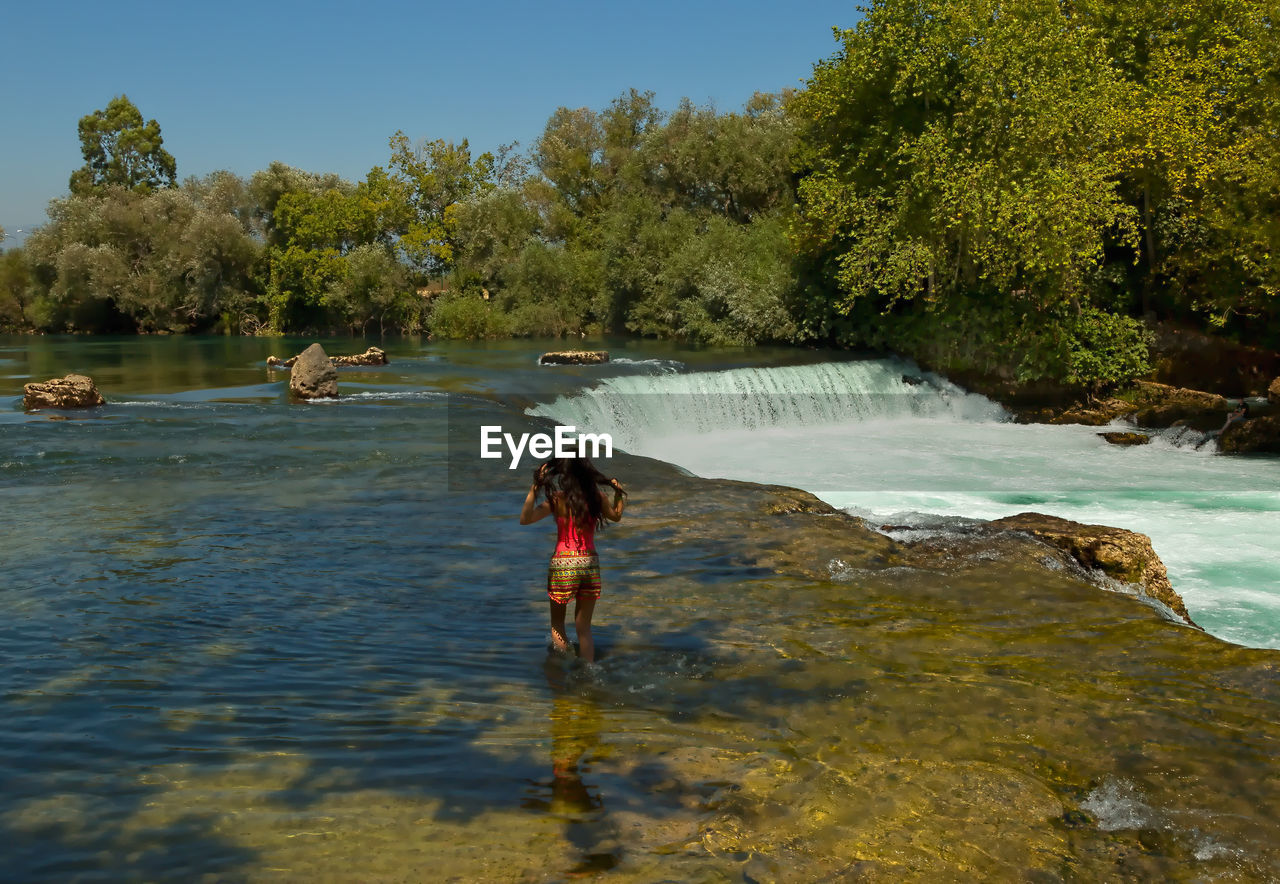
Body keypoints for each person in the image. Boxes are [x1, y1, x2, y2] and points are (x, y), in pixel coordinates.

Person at [520, 456, 626, 663]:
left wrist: (535, 487)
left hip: (563, 564)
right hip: (589, 562)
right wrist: (618, 493)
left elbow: (525, 519)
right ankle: (588, 672)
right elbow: (616, 516)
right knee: (583, 628)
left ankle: (559, 669)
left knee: (557, 625)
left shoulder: (557, 499)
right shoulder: (598, 498)